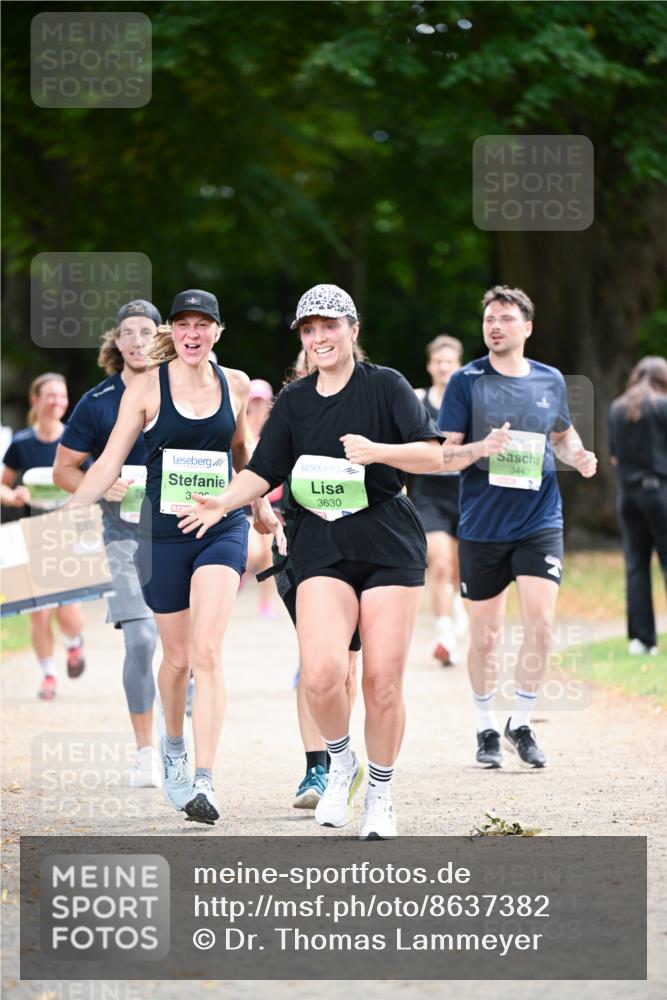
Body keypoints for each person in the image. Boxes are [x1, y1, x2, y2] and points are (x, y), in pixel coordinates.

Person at [178, 284, 443, 839]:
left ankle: (381, 792)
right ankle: (341, 761)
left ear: (352, 329)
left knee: (382, 681)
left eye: (329, 326)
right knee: (322, 674)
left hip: (387, 541)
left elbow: (433, 453)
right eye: (309, 329)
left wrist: (380, 453)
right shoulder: (295, 401)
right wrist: (226, 499)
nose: (319, 337)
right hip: (320, 544)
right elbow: (265, 466)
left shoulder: (386, 386)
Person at [67, 289, 282, 825]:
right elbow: (108, 461)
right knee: (178, 659)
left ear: (216, 331)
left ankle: (204, 779)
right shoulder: (144, 386)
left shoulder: (233, 383)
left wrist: (257, 506)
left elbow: (243, 453)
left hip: (220, 526)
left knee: (207, 652)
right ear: (173, 332)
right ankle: (173, 743)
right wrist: (71, 510)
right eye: (183, 324)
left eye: (202, 324)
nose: (192, 333)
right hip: (161, 535)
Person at [438, 285, 597, 770]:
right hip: (484, 525)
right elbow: (445, 455)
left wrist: (579, 456)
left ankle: (520, 722)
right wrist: (480, 449)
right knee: (485, 637)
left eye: (506, 318)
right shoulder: (466, 381)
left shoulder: (550, 380)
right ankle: (486, 727)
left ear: (527, 327)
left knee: (541, 624)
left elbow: (563, 436)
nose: (495, 326)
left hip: (539, 521)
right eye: (489, 318)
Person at [54, 300, 163, 788]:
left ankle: (180, 738)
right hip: (123, 533)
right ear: (115, 343)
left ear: (161, 336)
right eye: (128, 333)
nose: (138, 340)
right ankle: (145, 752)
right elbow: (64, 468)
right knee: (141, 639)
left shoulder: (185, 389)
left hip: (183, 531)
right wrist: (105, 483)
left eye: (147, 331)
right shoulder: (97, 402)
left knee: (187, 649)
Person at [254, 350, 359, 810]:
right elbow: (262, 475)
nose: (313, 367)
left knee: (347, 666)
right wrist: (268, 516)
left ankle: (341, 760)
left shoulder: (367, 404)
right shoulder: (288, 413)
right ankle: (317, 765)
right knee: (314, 659)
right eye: (302, 364)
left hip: (360, 546)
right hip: (301, 545)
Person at [1, 373, 86, 699]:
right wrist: (13, 496)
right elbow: (2, 485)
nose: (57, 402)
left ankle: (74, 643)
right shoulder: (22, 444)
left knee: (70, 614)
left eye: (61, 396)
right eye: (49, 395)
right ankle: (49, 675)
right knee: (39, 612)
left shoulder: (77, 440)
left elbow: (91, 483)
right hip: (31, 534)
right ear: (35, 400)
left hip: (68, 532)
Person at [409, 335, 467, 666]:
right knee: (441, 564)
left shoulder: (470, 402)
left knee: (459, 573)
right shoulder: (418, 400)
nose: (444, 366)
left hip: (464, 493)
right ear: (431, 365)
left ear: (458, 366)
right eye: (439, 361)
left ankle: (457, 607)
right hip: (429, 495)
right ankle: (445, 635)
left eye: (450, 361)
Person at [608, 356, 667, 656]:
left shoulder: (617, 408)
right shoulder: (663, 406)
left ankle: (642, 640)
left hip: (628, 497)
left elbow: (614, 457)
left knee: (636, 566)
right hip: (660, 492)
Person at [244, 378, 280, 619]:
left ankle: (265, 603)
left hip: (274, 499)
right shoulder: (241, 426)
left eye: (262, 402)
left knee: (269, 554)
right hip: (247, 501)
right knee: (253, 551)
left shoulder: (275, 428)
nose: (258, 408)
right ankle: (238, 575)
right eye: (254, 402)